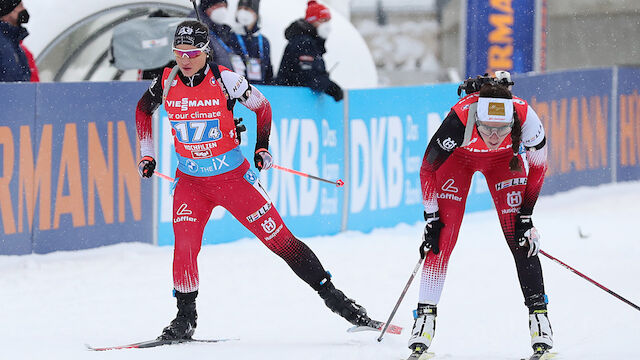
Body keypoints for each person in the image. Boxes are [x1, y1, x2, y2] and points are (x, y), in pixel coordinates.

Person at [135, 20, 378, 341]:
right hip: (191, 183)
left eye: (192, 52)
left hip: (234, 180)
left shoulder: (225, 79)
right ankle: (185, 317)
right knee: (184, 247)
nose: (184, 58)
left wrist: (261, 147)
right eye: (179, 52)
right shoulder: (166, 81)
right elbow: (142, 110)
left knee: (280, 242)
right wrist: (147, 154)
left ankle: (339, 302)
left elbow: (262, 108)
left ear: (205, 51)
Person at [408, 72, 553, 359]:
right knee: (442, 238)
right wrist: (431, 216)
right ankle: (424, 320)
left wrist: (527, 217)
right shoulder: (460, 118)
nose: (494, 136)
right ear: (477, 118)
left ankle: (540, 321)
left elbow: (538, 169)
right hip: (458, 160)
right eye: (487, 129)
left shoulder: (527, 119)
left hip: (504, 162)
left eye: (501, 129)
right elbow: (427, 169)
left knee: (521, 239)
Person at [276, 0, 343, 102]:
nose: (327, 25)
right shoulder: (303, 42)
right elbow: (308, 77)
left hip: (294, 101)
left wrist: (324, 79)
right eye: (323, 20)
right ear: (312, 21)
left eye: (328, 21)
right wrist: (331, 87)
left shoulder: (313, 43)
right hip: (291, 100)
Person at [230, 0, 273, 85]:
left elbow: (268, 72)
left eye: (246, 9)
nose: (242, 12)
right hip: (237, 90)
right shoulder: (230, 37)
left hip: (260, 90)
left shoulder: (264, 41)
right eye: (240, 9)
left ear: (255, 14)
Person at [193, 0, 235, 70]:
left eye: (225, 6)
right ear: (207, 7)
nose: (222, 10)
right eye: (219, 6)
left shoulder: (221, 31)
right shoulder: (197, 28)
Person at [0, 0, 31, 82]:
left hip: (18, 93)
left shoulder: (15, 43)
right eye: (20, 6)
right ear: (8, 11)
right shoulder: (4, 42)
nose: (24, 9)